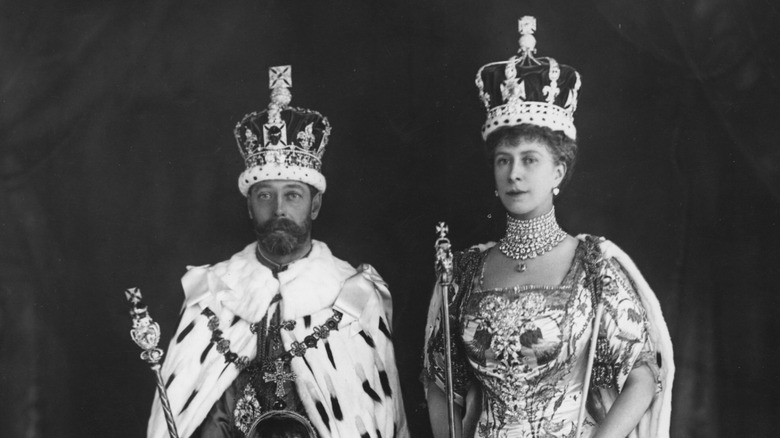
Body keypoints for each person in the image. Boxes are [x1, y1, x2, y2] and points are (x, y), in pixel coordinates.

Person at [421, 17, 674, 438]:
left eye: (529, 159)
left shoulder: (593, 266)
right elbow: (439, 382)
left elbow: (642, 376)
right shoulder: (465, 271)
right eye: (504, 160)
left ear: (559, 171)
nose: (514, 174)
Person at [148, 66, 408, 438]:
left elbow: (374, 414)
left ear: (314, 205)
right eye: (265, 195)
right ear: (249, 206)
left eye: (293, 195)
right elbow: (193, 412)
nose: (279, 209)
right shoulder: (212, 292)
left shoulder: (354, 294)